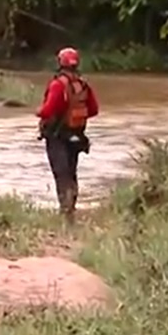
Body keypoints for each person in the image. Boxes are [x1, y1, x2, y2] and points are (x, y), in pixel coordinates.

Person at [36, 46, 99, 222]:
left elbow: (47, 110)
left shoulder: (58, 85)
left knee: (61, 173)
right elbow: (93, 110)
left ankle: (66, 211)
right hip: (77, 135)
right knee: (71, 172)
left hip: (58, 136)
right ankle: (71, 209)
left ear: (60, 63)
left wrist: (38, 111)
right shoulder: (83, 85)